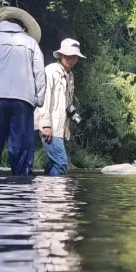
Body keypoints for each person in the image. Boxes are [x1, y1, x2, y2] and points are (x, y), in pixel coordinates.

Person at [0, 7, 46, 176]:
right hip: (23, 100)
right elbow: (39, 73)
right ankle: (20, 190)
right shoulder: (31, 43)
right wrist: (39, 100)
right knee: (20, 147)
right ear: (23, 27)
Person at [35, 38, 85, 176]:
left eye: (74, 56)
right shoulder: (50, 71)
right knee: (61, 163)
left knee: (52, 164)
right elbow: (43, 99)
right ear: (61, 55)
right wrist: (46, 125)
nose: (71, 59)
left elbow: (66, 102)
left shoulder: (70, 75)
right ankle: (56, 197)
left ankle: (45, 195)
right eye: (68, 55)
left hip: (60, 127)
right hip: (49, 125)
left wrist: (73, 112)